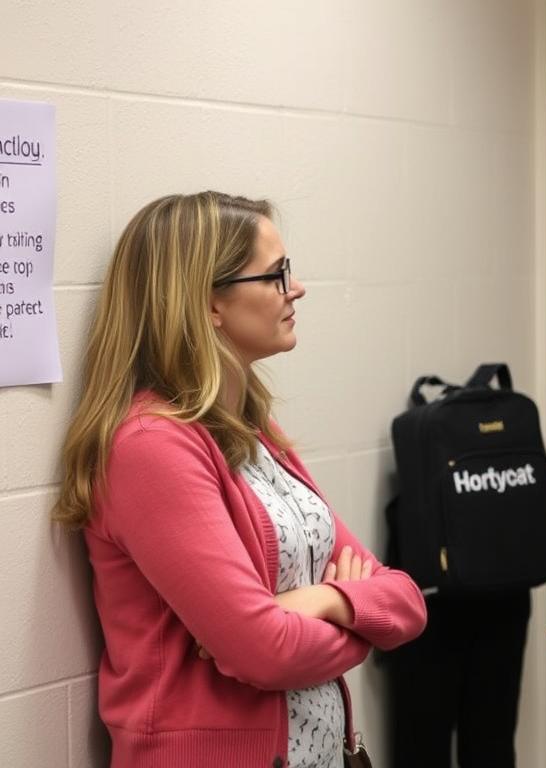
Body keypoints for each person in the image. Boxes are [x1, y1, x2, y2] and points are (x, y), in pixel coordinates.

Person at [53, 192, 427, 768]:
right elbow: (265, 653)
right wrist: (357, 615)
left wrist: (321, 600)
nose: (296, 289)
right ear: (208, 305)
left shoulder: (251, 427)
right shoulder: (150, 448)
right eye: (276, 275)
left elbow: (405, 602)